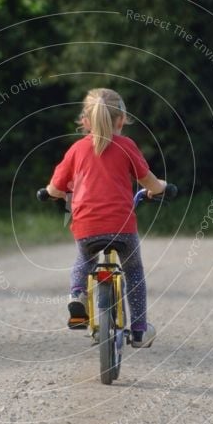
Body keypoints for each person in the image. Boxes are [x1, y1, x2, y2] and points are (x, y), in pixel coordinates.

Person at [45, 88, 167, 348]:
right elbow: (149, 181)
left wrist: (49, 194)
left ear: (85, 121)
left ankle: (77, 295)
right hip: (122, 226)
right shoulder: (126, 146)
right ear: (121, 120)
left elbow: (55, 188)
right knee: (133, 271)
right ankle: (139, 330)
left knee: (83, 259)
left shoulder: (76, 149)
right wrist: (160, 188)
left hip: (86, 226)